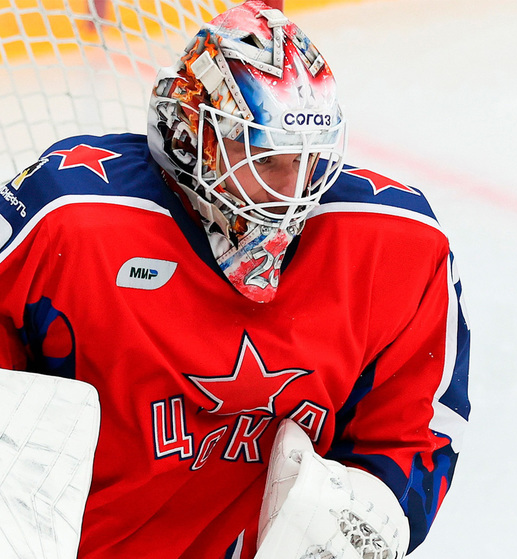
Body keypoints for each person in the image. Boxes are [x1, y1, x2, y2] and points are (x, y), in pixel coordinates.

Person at [0, 0, 471, 557]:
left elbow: (418, 429)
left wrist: (377, 508)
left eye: (308, 158)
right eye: (267, 159)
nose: (292, 191)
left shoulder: (396, 243)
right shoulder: (73, 220)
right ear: (190, 138)